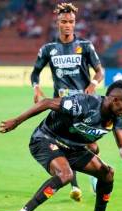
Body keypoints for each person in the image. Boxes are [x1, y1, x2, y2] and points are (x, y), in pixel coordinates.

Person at [0, 80, 122, 211]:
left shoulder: (116, 119)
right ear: (115, 100)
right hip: (46, 139)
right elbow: (46, 102)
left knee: (107, 173)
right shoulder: (84, 104)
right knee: (66, 175)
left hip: (74, 149)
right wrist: (16, 121)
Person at [30, 3, 105, 201]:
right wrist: (36, 87)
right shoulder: (48, 49)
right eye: (64, 22)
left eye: (71, 22)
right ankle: (74, 184)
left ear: (75, 23)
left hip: (84, 105)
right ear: (58, 23)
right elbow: (35, 73)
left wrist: (93, 83)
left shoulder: (86, 46)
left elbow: (100, 71)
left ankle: (93, 175)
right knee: (66, 144)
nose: (67, 25)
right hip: (62, 106)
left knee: (93, 146)